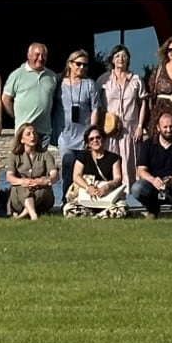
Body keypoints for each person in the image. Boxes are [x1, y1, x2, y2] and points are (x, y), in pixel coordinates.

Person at [54, 50, 104, 198]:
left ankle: (83, 200)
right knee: (68, 163)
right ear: (70, 64)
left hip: (83, 136)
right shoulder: (59, 82)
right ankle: (66, 198)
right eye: (78, 64)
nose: (81, 67)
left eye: (85, 65)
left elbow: (95, 108)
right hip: (65, 135)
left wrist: (92, 133)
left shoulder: (89, 84)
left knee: (83, 170)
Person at [132, 109, 172, 218]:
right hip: (154, 185)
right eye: (165, 127)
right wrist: (153, 180)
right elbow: (141, 170)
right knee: (136, 188)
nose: (169, 130)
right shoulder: (148, 144)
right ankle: (152, 210)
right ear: (158, 128)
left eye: (171, 126)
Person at [0, 42, 60, 152]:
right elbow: (5, 99)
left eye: (43, 55)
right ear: (29, 55)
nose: (40, 58)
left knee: (41, 166)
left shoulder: (52, 76)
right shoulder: (17, 74)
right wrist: (16, 116)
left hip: (43, 132)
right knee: (23, 166)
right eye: (37, 54)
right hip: (24, 132)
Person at [99, 44, 147, 181]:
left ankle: (128, 194)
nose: (121, 59)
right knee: (110, 161)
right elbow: (97, 102)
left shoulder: (136, 80)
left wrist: (140, 126)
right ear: (112, 59)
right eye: (117, 56)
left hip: (130, 128)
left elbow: (143, 103)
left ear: (129, 59)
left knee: (129, 162)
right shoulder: (104, 80)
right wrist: (105, 120)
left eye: (124, 56)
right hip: (109, 129)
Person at [65, 126, 128, 217]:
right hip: (87, 196)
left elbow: (118, 178)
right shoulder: (82, 156)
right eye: (91, 139)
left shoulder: (114, 158)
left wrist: (107, 187)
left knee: (122, 209)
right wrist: (88, 187)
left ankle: (98, 215)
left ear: (104, 139)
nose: (95, 140)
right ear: (88, 144)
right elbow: (76, 176)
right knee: (69, 210)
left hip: (108, 196)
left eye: (98, 137)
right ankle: (99, 215)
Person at [5, 123, 58, 221]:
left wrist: (44, 181)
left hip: (41, 195)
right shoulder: (14, 156)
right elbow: (9, 177)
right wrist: (23, 182)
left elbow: (54, 175)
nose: (32, 136)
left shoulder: (45, 154)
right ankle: (33, 215)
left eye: (34, 133)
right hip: (20, 197)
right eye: (28, 134)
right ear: (22, 139)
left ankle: (25, 213)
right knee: (21, 187)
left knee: (43, 188)